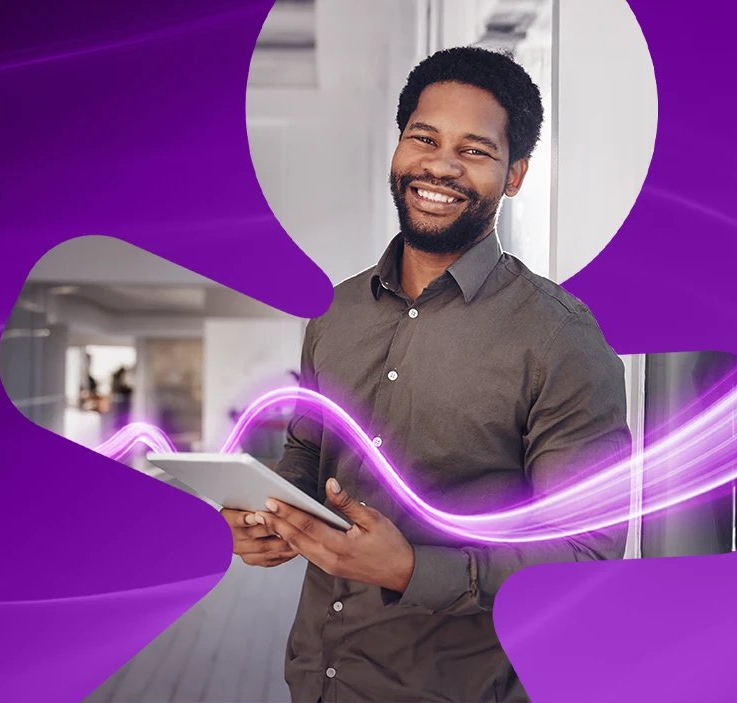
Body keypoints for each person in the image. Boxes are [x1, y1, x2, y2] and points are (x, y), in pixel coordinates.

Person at [225, 47, 630, 702]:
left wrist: (414, 568)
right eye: (424, 138)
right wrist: (270, 514)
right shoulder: (336, 312)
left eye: (474, 150)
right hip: (316, 680)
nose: (440, 165)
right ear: (399, 147)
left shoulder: (560, 339)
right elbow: (309, 448)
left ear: (516, 174)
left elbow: (588, 555)